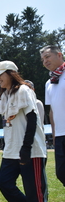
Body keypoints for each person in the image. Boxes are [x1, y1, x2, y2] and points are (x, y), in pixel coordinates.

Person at [0, 60, 48, 201]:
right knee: (4, 183)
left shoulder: (24, 90)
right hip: (11, 151)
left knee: (35, 194)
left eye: (0, 75)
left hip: (30, 151)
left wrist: (26, 147)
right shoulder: (3, 96)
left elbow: (32, 119)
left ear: (11, 73)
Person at [40, 45, 65, 186]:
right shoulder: (49, 82)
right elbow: (52, 110)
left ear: (59, 55)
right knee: (61, 173)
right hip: (60, 136)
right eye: (43, 59)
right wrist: (54, 135)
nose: (45, 61)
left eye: (47, 56)